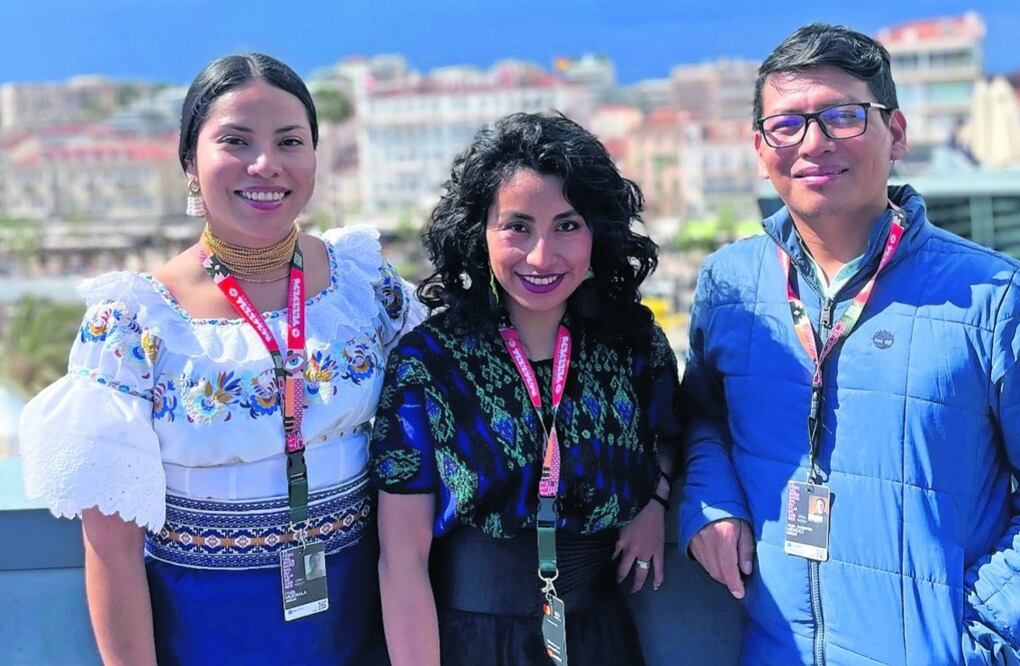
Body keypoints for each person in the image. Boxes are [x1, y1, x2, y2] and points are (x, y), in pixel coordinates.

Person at [679, 23, 1020, 665]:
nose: (814, 142)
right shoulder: (730, 284)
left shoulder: (995, 296)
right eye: (788, 124)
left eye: (842, 116)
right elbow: (701, 413)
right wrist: (712, 499)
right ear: (761, 148)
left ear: (895, 133)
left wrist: (983, 639)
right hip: (772, 648)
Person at [18, 53, 423, 665]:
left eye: (291, 141)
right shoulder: (132, 324)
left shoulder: (363, 285)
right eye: (235, 141)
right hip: (208, 632)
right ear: (189, 161)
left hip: (362, 618)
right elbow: (112, 553)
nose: (266, 164)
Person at [372, 112, 679, 665]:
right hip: (471, 642)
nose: (542, 256)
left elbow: (668, 433)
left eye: (567, 225)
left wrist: (653, 503)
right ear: (479, 234)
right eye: (517, 226)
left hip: (600, 639)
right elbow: (402, 558)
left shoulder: (634, 344)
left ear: (598, 232)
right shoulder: (429, 362)